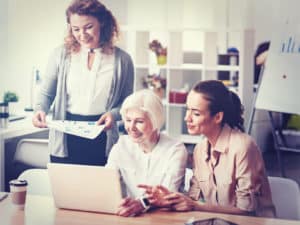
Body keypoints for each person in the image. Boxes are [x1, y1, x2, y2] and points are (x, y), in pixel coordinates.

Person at [140, 80, 276, 217]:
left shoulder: (243, 146)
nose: (187, 118)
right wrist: (169, 200)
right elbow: (193, 199)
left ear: (217, 117)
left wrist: (195, 205)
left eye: (196, 113)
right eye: (188, 110)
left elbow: (246, 210)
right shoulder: (200, 150)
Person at [32, 0, 134, 165]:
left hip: (102, 134)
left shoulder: (123, 60)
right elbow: (46, 93)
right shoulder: (60, 55)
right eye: (76, 29)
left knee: (100, 189)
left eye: (88, 27)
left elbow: (128, 102)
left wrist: (113, 115)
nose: (82, 34)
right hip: (65, 136)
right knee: (65, 189)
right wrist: (40, 109)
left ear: (102, 23)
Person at [105, 89, 188, 217]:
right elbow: (107, 182)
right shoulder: (121, 146)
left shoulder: (175, 149)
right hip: (129, 217)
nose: (131, 127)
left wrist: (143, 203)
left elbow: (168, 194)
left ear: (156, 122)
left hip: (164, 218)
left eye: (139, 121)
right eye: (128, 120)